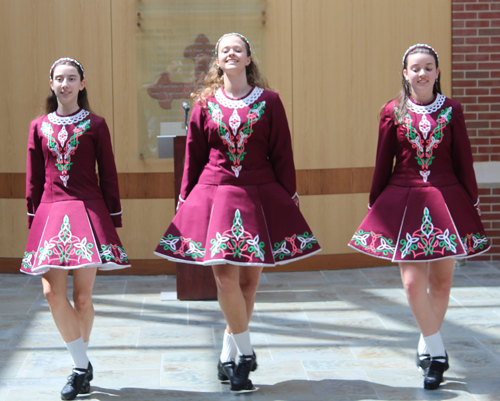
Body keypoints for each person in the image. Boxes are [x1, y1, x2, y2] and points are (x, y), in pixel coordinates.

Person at [155, 33, 321, 393]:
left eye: (238, 49)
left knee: (248, 283)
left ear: (248, 59)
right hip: (215, 196)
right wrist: (185, 198)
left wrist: (289, 198)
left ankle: (228, 356)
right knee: (225, 280)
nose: (231, 53)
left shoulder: (271, 102)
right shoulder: (203, 103)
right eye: (224, 50)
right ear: (217, 60)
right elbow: (194, 157)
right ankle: (245, 355)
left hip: (258, 197)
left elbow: (282, 154)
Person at [349, 44, 490, 390]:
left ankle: (427, 344)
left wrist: (470, 202)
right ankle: (438, 353)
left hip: (446, 199)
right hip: (404, 199)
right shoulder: (391, 111)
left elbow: (463, 160)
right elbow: (384, 161)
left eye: (428, 67)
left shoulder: (453, 110)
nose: (422, 73)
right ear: (405, 72)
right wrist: (375, 203)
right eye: (415, 68)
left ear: (438, 73)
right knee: (413, 284)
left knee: (441, 284)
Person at [22, 58, 130, 400]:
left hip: (87, 210)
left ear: (82, 84)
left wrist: (111, 218)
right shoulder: (38, 126)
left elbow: (108, 173)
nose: (65, 84)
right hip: (51, 212)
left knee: (83, 298)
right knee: (52, 293)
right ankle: (81, 366)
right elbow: (34, 179)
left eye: (72, 78)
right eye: (59, 79)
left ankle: (79, 367)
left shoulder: (96, 125)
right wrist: (33, 220)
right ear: (51, 84)